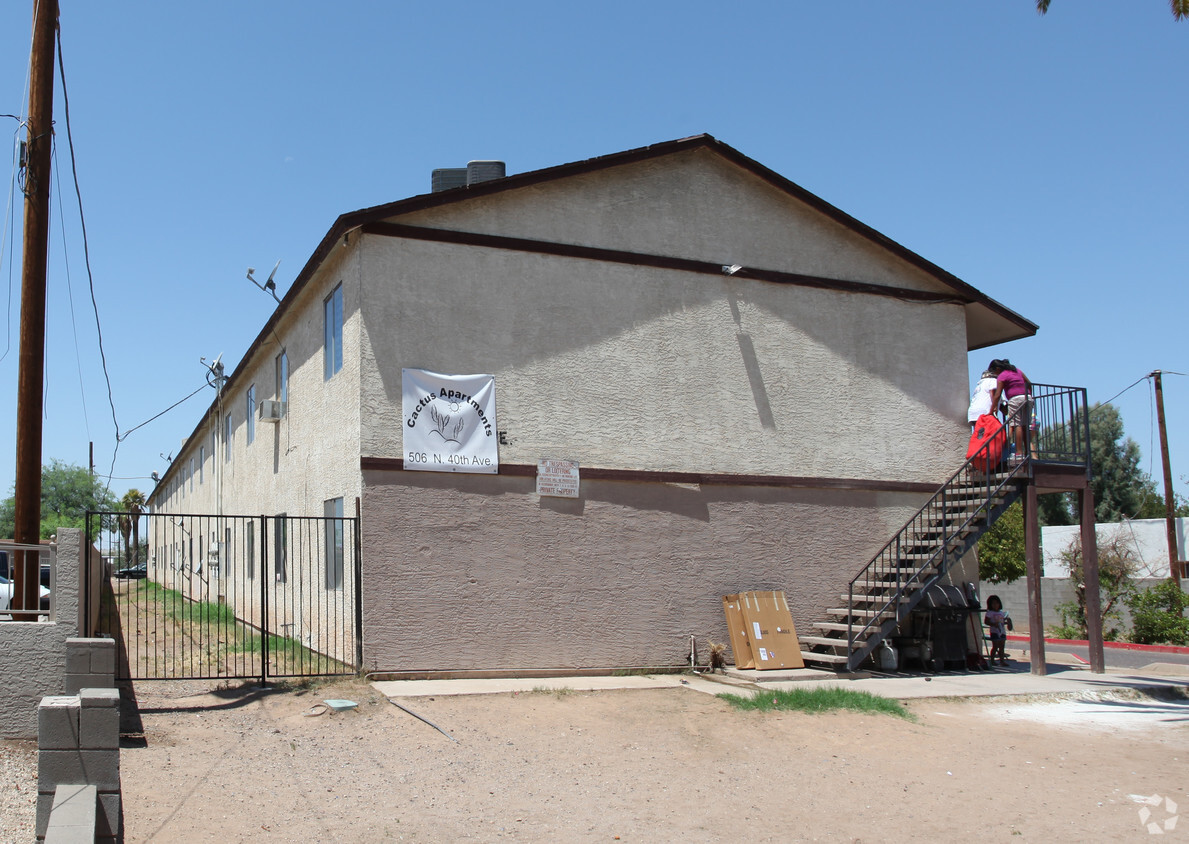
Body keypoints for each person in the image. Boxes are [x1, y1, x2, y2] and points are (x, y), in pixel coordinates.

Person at [988, 359, 1032, 461]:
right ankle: (1027, 453)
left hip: (1015, 399)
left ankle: (1018, 453)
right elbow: (1029, 383)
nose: (994, 374)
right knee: (1025, 425)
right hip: (1027, 398)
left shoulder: (1002, 376)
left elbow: (997, 395)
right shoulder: (1017, 371)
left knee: (1017, 425)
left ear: (998, 369)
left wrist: (991, 410)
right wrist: (1030, 394)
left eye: (993, 372)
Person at [985, 594, 1010, 666]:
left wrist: (1007, 621)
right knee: (995, 646)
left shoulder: (1001, 612)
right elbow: (986, 621)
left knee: (1002, 646)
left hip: (1002, 631)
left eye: (997, 603)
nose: (995, 605)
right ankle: (992, 660)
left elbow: (1002, 621)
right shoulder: (989, 613)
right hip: (994, 631)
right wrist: (993, 624)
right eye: (993, 603)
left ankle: (1002, 661)